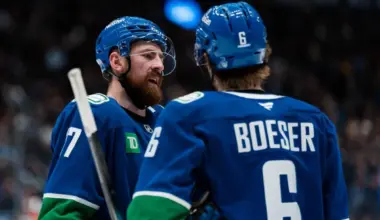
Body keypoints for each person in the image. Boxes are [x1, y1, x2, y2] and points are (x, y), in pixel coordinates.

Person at [127, 2, 349, 220]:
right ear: (265, 53)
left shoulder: (189, 113)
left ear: (205, 58)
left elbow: (147, 213)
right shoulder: (316, 121)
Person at [38, 16, 176, 219]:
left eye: (160, 57)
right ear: (117, 61)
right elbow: (62, 212)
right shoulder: (95, 113)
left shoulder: (164, 121)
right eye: (148, 55)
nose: (159, 65)